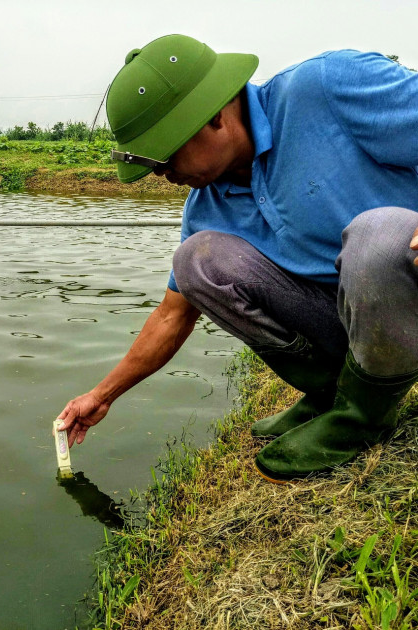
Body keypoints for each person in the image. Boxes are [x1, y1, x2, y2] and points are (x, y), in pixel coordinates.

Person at [57, 34, 418, 483]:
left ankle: (366, 417)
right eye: (153, 166)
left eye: (166, 156)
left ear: (214, 117)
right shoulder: (205, 206)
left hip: (407, 282)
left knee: (378, 235)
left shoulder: (327, 85)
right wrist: (102, 395)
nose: (164, 175)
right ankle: (334, 394)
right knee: (197, 259)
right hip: (354, 314)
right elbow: (171, 316)